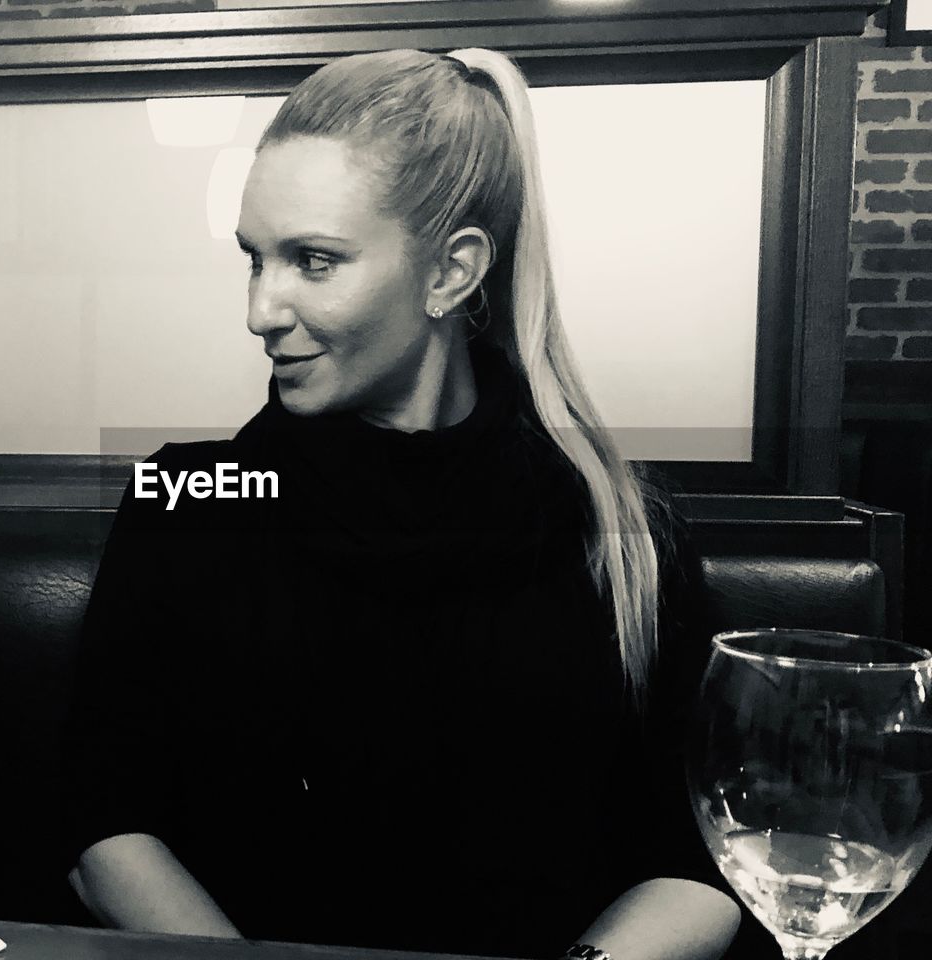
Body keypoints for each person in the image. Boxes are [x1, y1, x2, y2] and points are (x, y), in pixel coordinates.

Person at [65, 47, 741, 960]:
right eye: (254, 260)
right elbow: (99, 819)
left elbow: (699, 854)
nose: (261, 308)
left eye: (313, 260)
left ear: (450, 273)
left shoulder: (618, 531)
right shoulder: (188, 500)